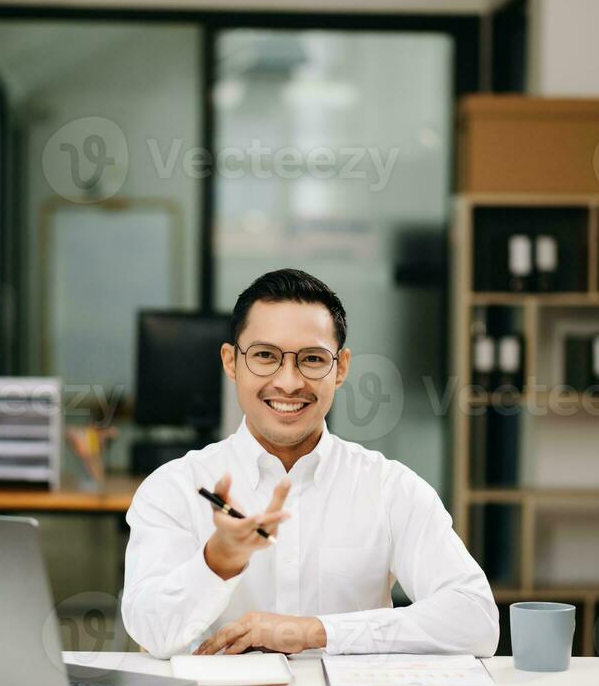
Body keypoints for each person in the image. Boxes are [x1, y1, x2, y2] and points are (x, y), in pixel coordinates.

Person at [122, 269, 499, 659]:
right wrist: (218, 562)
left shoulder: (390, 488)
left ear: (340, 368)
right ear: (231, 362)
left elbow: (477, 621)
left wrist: (317, 632)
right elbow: (152, 634)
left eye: (313, 359)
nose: (288, 382)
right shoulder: (175, 487)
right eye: (265, 356)